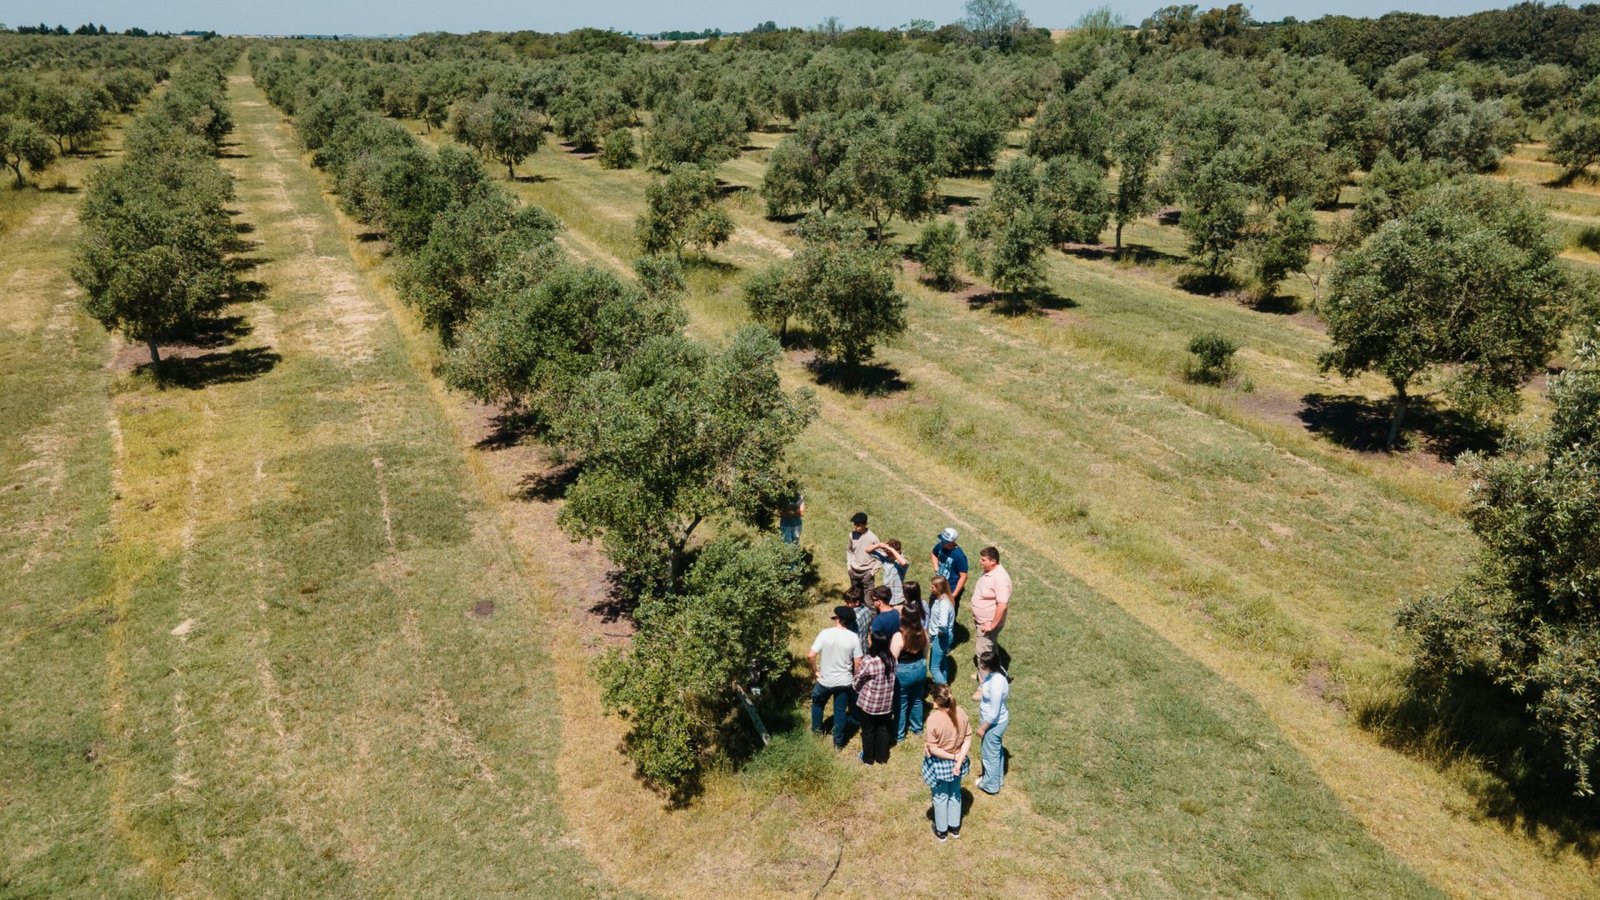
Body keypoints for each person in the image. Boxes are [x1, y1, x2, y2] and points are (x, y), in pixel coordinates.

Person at [808, 606, 863, 749]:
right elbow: (858, 662)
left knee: (818, 704)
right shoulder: (853, 637)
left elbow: (811, 655)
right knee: (839, 711)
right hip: (844, 682)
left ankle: (816, 734)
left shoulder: (825, 633)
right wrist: (854, 677)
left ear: (838, 619)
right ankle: (838, 743)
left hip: (825, 680)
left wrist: (815, 672)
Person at [922, 683, 972, 841]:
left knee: (941, 796)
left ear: (935, 701)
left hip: (941, 764)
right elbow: (968, 737)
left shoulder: (933, 719)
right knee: (955, 794)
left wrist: (953, 758)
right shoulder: (962, 712)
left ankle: (942, 831)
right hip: (958, 761)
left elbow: (934, 749)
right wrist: (959, 759)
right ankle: (955, 828)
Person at [854, 632, 896, 764]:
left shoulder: (868, 661)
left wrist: (857, 688)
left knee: (868, 731)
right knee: (882, 729)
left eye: (869, 639)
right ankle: (882, 757)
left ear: (874, 644)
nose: (868, 641)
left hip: (868, 704)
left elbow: (857, 680)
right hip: (886, 704)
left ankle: (868, 758)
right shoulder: (892, 660)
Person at [973, 649, 1010, 795]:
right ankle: (997, 779)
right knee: (995, 751)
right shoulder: (999, 672)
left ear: (989, 665)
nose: (979, 664)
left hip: (993, 724)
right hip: (997, 721)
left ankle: (990, 786)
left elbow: (994, 712)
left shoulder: (996, 684)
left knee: (990, 755)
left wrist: (983, 728)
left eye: (982, 663)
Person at [891, 606, 929, 742]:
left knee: (901, 703)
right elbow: (925, 652)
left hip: (903, 671)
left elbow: (892, 659)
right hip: (920, 667)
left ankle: (899, 734)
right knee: (917, 699)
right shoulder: (923, 632)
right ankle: (917, 728)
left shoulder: (899, 636)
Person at [969, 546, 1011, 665]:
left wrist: (991, 625)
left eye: (983, 560)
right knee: (990, 649)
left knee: (983, 654)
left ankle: (985, 682)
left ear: (993, 561)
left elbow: (1002, 606)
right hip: (983, 621)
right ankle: (999, 674)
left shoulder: (1000, 579)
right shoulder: (990, 571)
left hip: (988, 623)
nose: (980, 562)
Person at [930, 528, 969, 614]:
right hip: (938, 585)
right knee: (933, 608)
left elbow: (963, 577)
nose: (942, 542)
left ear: (952, 541)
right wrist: (936, 568)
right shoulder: (940, 546)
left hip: (950, 588)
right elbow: (933, 553)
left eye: (945, 541)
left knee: (946, 613)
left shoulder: (959, 556)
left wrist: (954, 594)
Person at [926, 576, 956, 685]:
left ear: (939, 588)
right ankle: (943, 683)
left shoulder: (943, 603)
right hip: (944, 636)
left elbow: (943, 624)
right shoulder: (943, 599)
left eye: (933, 586)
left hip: (941, 636)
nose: (931, 587)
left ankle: (945, 693)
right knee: (942, 661)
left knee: (934, 668)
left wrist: (937, 634)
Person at [846, 513, 881, 603]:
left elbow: (880, 557)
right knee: (855, 598)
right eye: (854, 525)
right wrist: (849, 567)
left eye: (858, 525)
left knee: (869, 601)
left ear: (864, 524)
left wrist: (872, 572)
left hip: (867, 573)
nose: (855, 527)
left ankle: (872, 616)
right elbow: (849, 551)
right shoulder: (852, 535)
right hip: (854, 571)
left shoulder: (873, 538)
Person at [867, 538, 909, 605]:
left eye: (890, 553)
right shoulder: (885, 558)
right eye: (887, 553)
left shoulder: (901, 562)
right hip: (886, 596)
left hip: (898, 599)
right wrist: (878, 545)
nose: (888, 555)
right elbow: (867, 550)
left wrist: (891, 549)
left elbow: (904, 563)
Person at [844, 587, 873, 656]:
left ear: (857, 602)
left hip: (855, 653)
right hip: (864, 649)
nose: (845, 604)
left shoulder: (853, 618)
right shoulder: (867, 610)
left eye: (848, 602)